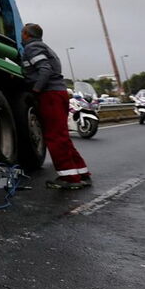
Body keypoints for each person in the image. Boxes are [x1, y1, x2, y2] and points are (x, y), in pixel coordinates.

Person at [20, 23, 91, 190]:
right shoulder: (45, 47)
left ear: (26, 35)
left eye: (22, 33)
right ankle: (81, 173)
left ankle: (70, 178)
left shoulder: (32, 48)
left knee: (54, 136)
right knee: (62, 135)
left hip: (50, 94)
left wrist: (36, 90)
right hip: (59, 92)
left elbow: (44, 70)